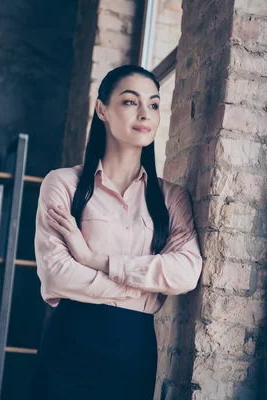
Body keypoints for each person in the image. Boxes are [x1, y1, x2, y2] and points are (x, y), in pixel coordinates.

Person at [30, 65, 203, 400]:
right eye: (129, 102)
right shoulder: (63, 184)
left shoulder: (171, 198)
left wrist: (93, 259)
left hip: (133, 353)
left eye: (153, 105)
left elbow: (186, 272)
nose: (144, 114)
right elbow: (57, 276)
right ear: (102, 110)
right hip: (69, 346)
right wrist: (137, 291)